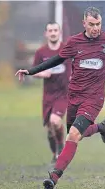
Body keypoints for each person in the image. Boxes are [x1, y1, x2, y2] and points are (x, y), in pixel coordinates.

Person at [15, 7, 105, 189]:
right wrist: (31, 71)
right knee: (76, 135)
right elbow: (56, 60)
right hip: (74, 96)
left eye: (98, 24)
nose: (95, 28)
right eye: (91, 25)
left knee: (74, 135)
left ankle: (54, 177)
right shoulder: (74, 42)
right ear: (84, 24)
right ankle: (101, 127)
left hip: (94, 97)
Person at [32, 22, 70, 164]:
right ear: (46, 34)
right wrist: (43, 73)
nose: (53, 33)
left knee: (55, 121)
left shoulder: (67, 50)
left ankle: (60, 148)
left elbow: (77, 65)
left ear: (59, 32)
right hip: (48, 96)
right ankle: (55, 153)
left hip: (63, 94)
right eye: (50, 30)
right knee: (50, 129)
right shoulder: (41, 52)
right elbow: (33, 72)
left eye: (55, 30)